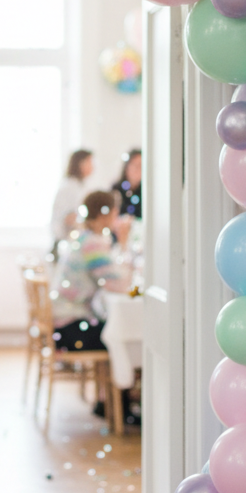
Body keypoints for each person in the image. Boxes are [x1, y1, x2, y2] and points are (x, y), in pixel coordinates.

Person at [49, 190, 132, 355]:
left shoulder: (82, 238)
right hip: (71, 328)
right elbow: (117, 284)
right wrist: (124, 243)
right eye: (115, 213)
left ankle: (119, 380)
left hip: (62, 325)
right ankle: (126, 380)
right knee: (121, 337)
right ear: (104, 216)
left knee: (118, 330)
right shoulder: (92, 243)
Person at [49, 149, 95, 250]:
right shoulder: (69, 187)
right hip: (66, 243)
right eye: (89, 162)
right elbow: (69, 218)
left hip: (75, 241)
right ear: (80, 164)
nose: (92, 166)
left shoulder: (82, 186)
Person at [113, 149, 142, 219]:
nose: (137, 169)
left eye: (140, 166)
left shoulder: (146, 192)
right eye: (134, 165)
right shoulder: (117, 189)